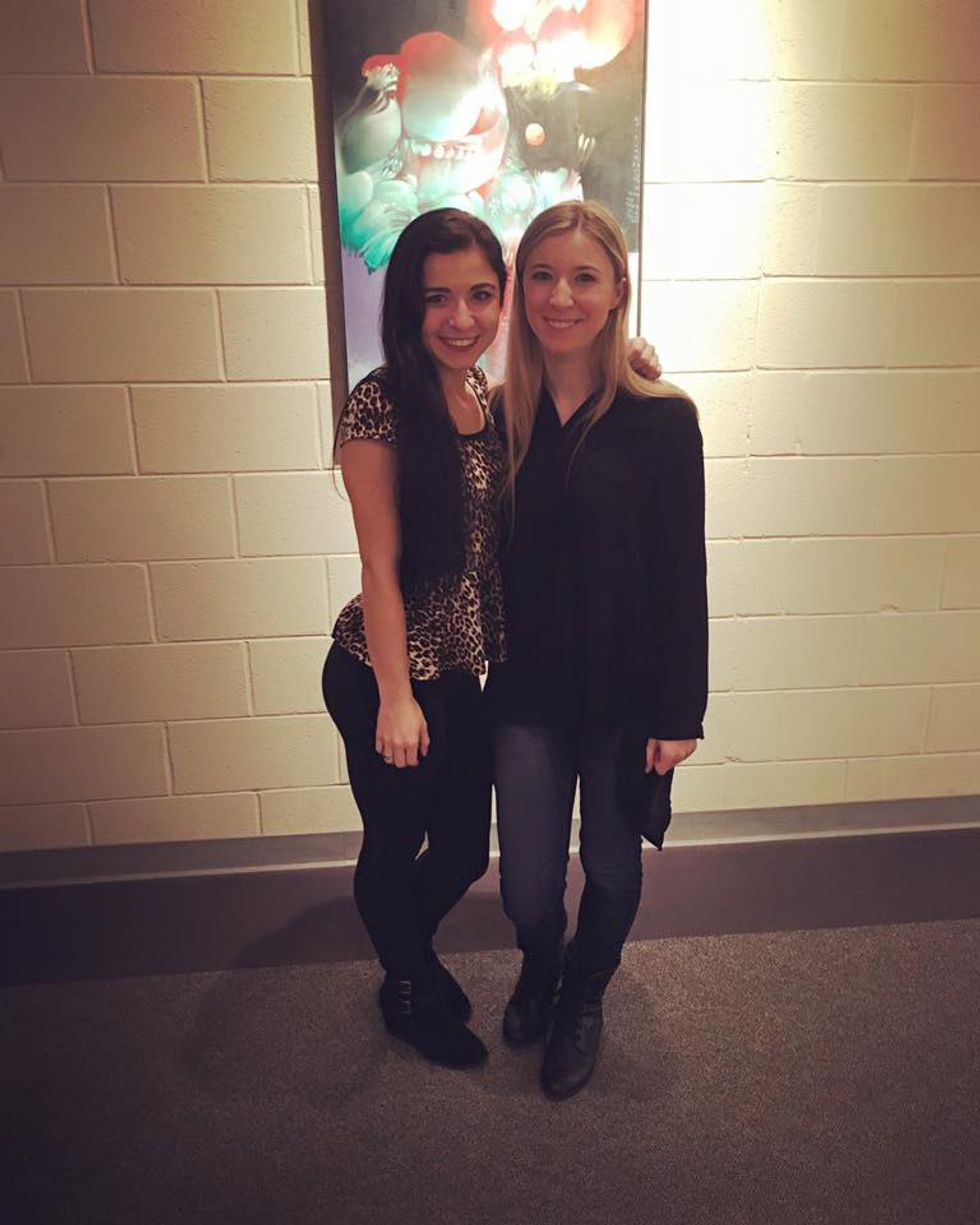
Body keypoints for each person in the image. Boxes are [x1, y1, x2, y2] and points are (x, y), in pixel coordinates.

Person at [486, 200, 708, 1099]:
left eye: (584, 277)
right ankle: (542, 960)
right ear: (520, 290)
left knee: (613, 868)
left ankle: (584, 991)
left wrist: (680, 712)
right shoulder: (499, 418)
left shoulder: (663, 419)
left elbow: (682, 574)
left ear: (618, 289)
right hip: (528, 693)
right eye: (542, 276)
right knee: (526, 886)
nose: (560, 296)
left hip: (627, 696)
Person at [321, 208, 508, 1070]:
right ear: (409, 303)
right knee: (394, 846)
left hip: (459, 674)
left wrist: (633, 363)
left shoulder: (481, 392)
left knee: (464, 849)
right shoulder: (380, 403)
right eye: (438, 298)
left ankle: (409, 952)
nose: (461, 317)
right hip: (383, 672)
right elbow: (379, 565)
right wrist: (396, 699)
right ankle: (404, 987)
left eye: (479, 294)